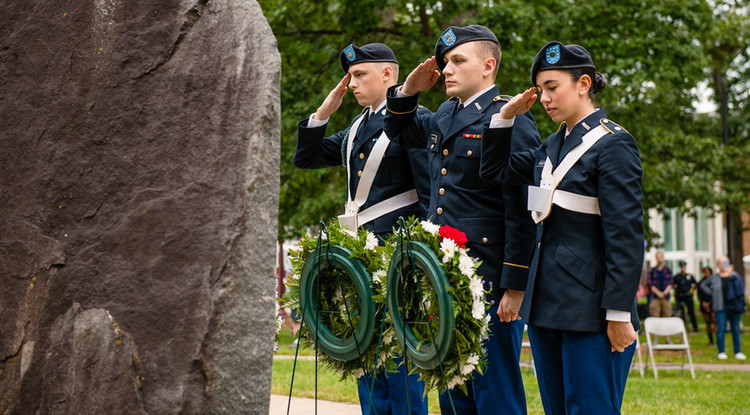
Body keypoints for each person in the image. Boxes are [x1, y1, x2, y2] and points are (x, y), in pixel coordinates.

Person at [384, 25, 541, 415]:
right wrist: (407, 91)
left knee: (495, 391)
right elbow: (396, 129)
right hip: (445, 273)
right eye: (444, 63)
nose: (447, 70)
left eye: (457, 61)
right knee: (452, 386)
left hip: (488, 277)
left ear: (488, 66)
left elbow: (523, 207)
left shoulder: (511, 116)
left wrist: (515, 284)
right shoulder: (444, 114)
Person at [486, 41, 643, 414]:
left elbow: (626, 235)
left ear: (584, 83)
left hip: (591, 309)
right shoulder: (550, 146)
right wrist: (503, 118)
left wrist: (619, 313)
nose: (544, 98)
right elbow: (494, 172)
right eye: (540, 90)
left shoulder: (613, 144)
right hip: (545, 306)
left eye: (552, 87)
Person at [294, 42, 429, 415]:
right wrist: (325, 110)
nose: (351, 84)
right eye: (349, 77)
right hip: (360, 258)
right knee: (366, 358)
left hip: (396, 257)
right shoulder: (356, 128)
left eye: (359, 75)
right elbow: (306, 158)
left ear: (388, 74)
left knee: (401, 365)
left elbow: (430, 193)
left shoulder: (413, 121)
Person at [699, 256, 746, 360]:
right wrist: (712, 294)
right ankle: (721, 352)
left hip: (734, 306)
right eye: (720, 263)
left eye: (724, 262)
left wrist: (730, 275)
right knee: (721, 328)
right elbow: (702, 285)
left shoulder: (735, 276)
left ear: (728, 263)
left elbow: (740, 288)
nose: (722, 265)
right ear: (718, 265)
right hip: (720, 306)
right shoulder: (715, 277)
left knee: (735, 328)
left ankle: (738, 352)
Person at [674, 260, 699, 332]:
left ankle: (695, 328)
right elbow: (673, 285)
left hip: (688, 296)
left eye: (684, 267)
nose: (683, 269)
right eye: (681, 267)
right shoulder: (677, 277)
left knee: (691, 312)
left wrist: (691, 291)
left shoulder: (690, 276)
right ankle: (681, 328)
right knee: (680, 313)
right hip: (680, 296)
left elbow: (695, 284)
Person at [697, 266, 716, 345]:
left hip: (713, 304)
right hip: (703, 304)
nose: (706, 273)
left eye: (707, 272)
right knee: (708, 322)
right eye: (704, 272)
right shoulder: (701, 282)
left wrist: (710, 303)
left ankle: (718, 339)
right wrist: (703, 302)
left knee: (715, 322)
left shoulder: (714, 282)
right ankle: (711, 340)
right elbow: (699, 294)